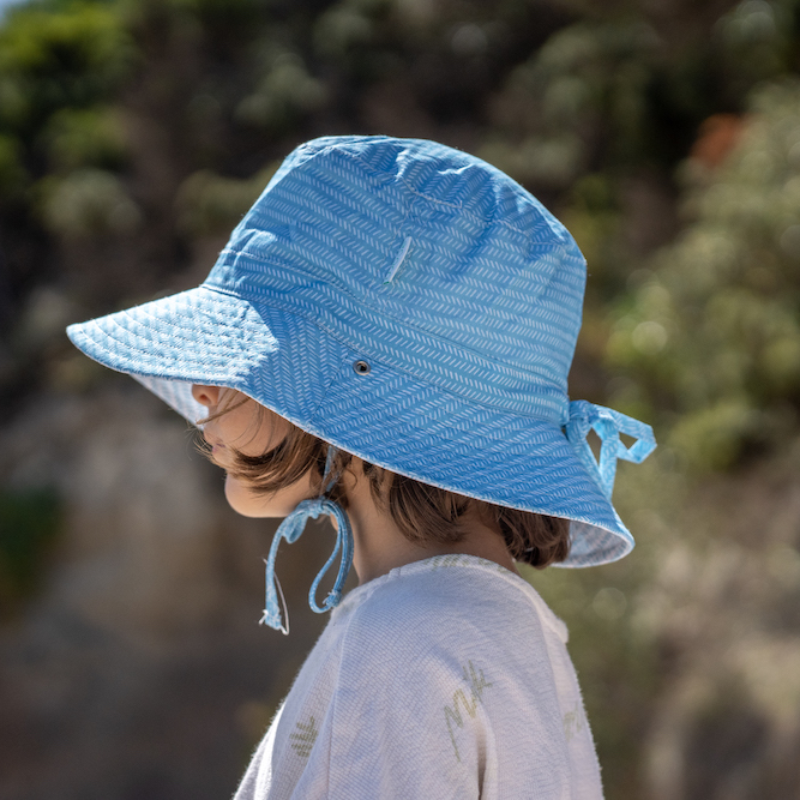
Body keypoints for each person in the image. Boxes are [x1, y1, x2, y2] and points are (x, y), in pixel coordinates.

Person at [67, 135, 655, 799]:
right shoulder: (515, 633)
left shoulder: (400, 644)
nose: (202, 389)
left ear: (349, 402)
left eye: (243, 360)